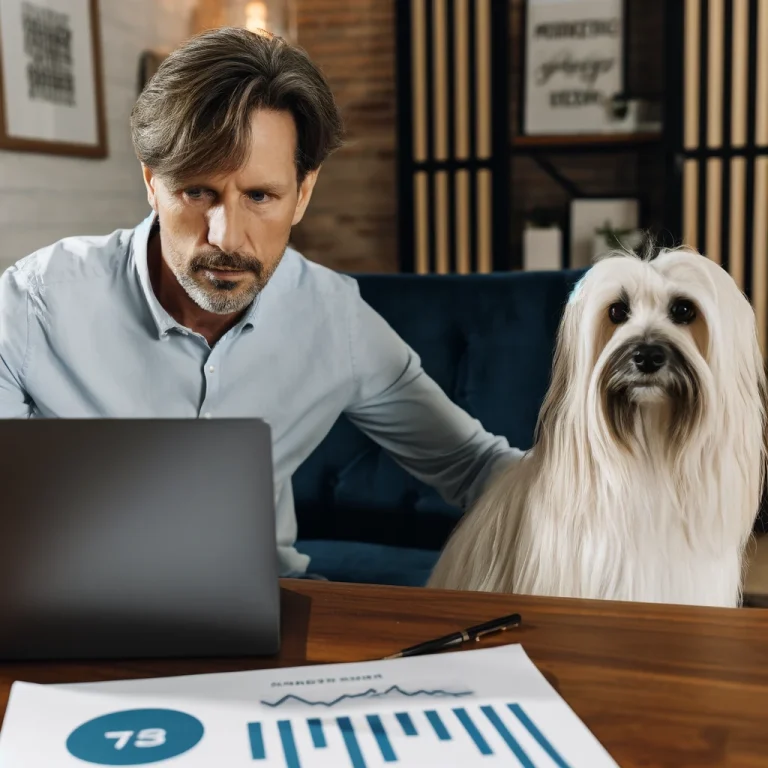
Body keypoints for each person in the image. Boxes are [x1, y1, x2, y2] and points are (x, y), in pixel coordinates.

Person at [0, 27, 522, 577]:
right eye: (198, 191)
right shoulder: (34, 306)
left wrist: (609, 484)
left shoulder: (334, 320)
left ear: (304, 193)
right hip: (71, 622)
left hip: (265, 620)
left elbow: (474, 466)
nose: (227, 237)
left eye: (260, 196)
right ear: (153, 183)